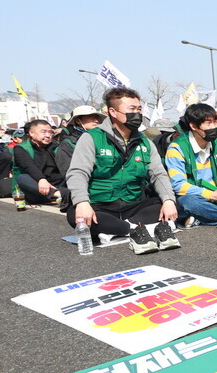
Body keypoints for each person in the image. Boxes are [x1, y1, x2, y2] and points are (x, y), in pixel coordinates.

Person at [65, 87, 179, 254]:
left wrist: (169, 200)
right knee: (76, 215)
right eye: (131, 109)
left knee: (172, 203)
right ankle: (134, 229)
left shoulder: (145, 142)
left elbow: (158, 174)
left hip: (133, 205)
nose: (137, 114)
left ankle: (121, 228)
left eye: (139, 109)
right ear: (113, 112)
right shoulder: (92, 138)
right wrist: (82, 202)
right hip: (100, 206)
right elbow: (78, 172)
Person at [12, 119, 68, 205]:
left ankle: (60, 195)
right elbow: (28, 166)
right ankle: (58, 195)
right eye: (44, 132)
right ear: (31, 133)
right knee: (22, 178)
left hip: (57, 185)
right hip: (36, 188)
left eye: (50, 132)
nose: (48, 135)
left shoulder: (56, 147)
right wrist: (41, 179)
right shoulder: (21, 148)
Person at [57, 105, 105, 175]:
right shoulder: (69, 144)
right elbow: (68, 172)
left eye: (97, 118)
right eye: (91, 117)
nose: (96, 121)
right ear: (78, 121)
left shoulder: (103, 139)